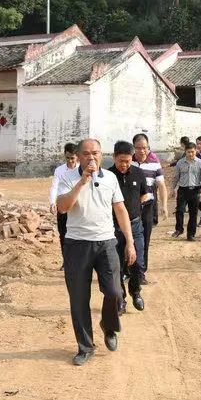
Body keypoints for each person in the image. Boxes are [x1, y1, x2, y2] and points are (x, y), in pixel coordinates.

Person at [56, 139, 136, 366]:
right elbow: (63, 207)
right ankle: (85, 347)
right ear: (79, 156)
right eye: (86, 153)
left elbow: (120, 209)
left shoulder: (110, 178)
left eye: (96, 153)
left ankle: (109, 326)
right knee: (79, 298)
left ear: (102, 155)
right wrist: (82, 181)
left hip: (106, 243)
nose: (91, 157)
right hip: (77, 244)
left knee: (114, 291)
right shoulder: (67, 178)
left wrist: (130, 242)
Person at [108, 141, 148, 314]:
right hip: (113, 228)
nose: (124, 165)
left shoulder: (138, 173)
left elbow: (143, 195)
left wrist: (134, 210)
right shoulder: (107, 176)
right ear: (114, 158)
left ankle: (135, 291)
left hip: (135, 225)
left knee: (137, 262)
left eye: (128, 161)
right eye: (121, 161)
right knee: (116, 265)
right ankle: (121, 299)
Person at [131, 133, 168, 285]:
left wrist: (164, 205)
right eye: (139, 148)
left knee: (144, 240)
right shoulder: (128, 162)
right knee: (128, 240)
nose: (142, 151)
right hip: (130, 208)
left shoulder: (154, 163)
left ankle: (141, 273)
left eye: (145, 148)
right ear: (134, 148)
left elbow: (161, 185)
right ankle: (127, 271)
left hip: (147, 208)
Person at [171, 142, 201, 241]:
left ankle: (191, 234)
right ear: (185, 152)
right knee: (179, 210)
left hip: (195, 191)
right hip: (183, 190)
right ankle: (179, 229)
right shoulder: (180, 163)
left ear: (196, 151)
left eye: (192, 152)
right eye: (188, 152)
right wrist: (172, 189)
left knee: (193, 213)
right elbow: (176, 177)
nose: (191, 154)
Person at [49, 143, 78, 270]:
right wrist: (52, 202)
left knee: (79, 234)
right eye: (68, 158)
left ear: (77, 156)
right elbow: (54, 186)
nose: (70, 161)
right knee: (63, 234)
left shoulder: (82, 169)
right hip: (63, 206)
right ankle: (66, 262)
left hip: (78, 207)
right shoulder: (59, 170)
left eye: (72, 158)